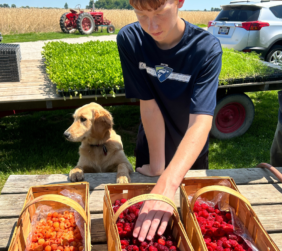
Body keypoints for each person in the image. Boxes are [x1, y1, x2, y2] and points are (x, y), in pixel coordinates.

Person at [116, 0, 222, 243]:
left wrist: (167, 184)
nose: (151, 25)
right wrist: (156, 167)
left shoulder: (205, 49)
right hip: (152, 147)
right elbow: (149, 105)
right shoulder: (131, 39)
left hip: (190, 151)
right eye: (141, 14)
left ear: (179, 2)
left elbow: (200, 122)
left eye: (159, 12)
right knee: (146, 234)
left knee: (192, 230)